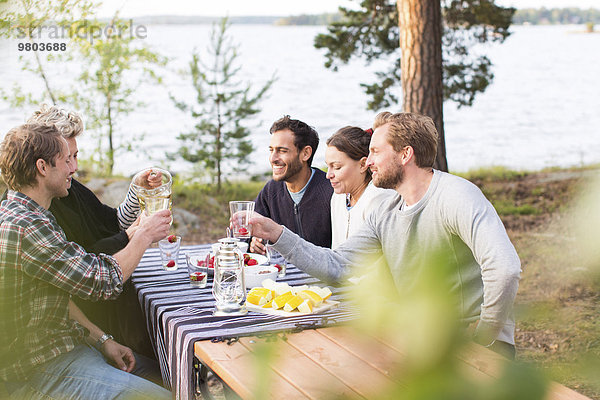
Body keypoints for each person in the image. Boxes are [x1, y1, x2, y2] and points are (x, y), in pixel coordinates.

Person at [246, 112, 521, 359]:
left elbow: (504, 268)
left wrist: (485, 335)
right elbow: (336, 265)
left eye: (376, 152)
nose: (370, 161)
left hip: (473, 347)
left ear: (405, 154)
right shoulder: (388, 208)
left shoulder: (457, 196)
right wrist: (277, 232)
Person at [0, 123, 172, 398]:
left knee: (168, 374)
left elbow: (58, 298)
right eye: (66, 159)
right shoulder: (27, 227)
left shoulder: (29, 212)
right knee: (160, 396)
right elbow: (102, 281)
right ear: (43, 167)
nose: (73, 168)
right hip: (38, 369)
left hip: (68, 347)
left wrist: (102, 340)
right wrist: (144, 235)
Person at [250, 115, 333, 254]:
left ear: (305, 153)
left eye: (282, 151)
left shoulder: (331, 192)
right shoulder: (271, 191)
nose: (273, 158)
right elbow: (244, 235)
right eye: (271, 150)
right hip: (282, 274)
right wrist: (253, 243)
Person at [325, 126, 396, 249]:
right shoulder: (338, 197)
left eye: (336, 167)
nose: (328, 175)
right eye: (328, 166)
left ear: (363, 164)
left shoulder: (380, 199)